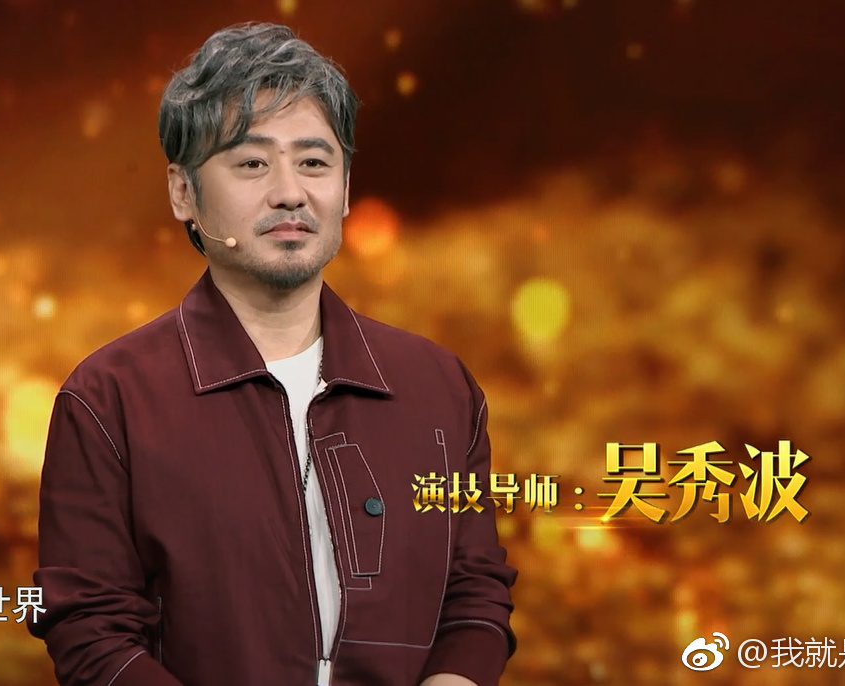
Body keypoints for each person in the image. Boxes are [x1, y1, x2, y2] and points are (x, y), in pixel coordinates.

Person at [28, 22, 517, 686]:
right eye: (252, 163)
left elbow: (474, 592)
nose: (290, 192)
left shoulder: (439, 389)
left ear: (345, 189)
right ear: (183, 193)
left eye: (314, 162)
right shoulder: (109, 399)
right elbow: (89, 629)